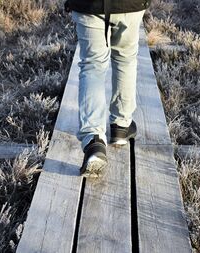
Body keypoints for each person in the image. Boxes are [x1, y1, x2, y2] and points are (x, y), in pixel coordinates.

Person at [64, 0, 151, 177]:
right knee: (125, 60)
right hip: (130, 5)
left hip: (90, 5)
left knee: (92, 66)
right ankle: (121, 125)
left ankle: (93, 140)